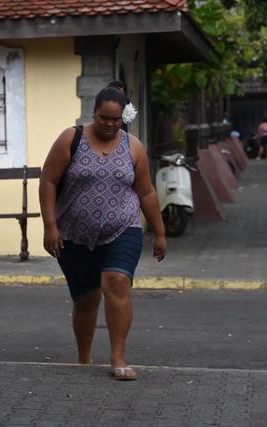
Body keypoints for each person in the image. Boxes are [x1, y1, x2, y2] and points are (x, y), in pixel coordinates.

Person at [39, 87, 167, 381]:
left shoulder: (134, 147)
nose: (109, 124)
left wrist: (159, 233)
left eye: (115, 119)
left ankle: (118, 358)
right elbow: (48, 180)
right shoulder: (71, 139)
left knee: (117, 282)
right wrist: (50, 226)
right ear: (93, 113)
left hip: (122, 228)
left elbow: (146, 192)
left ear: (124, 117)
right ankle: (84, 358)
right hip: (73, 232)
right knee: (85, 300)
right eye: (103, 118)